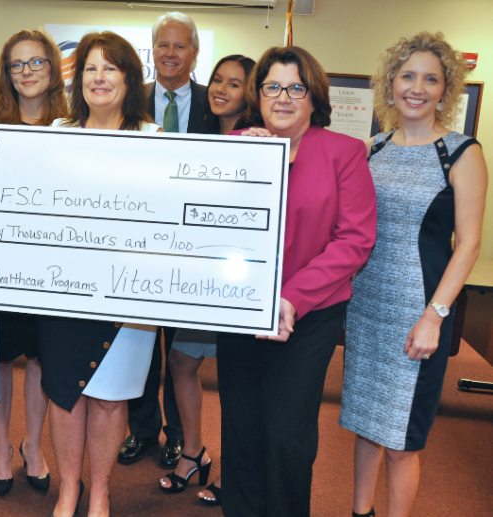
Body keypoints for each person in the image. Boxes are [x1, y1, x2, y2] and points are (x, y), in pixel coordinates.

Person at [216, 45, 377, 517]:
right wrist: (245, 163)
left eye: (295, 87)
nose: (282, 98)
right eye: (272, 87)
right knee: (242, 427)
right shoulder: (238, 146)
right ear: (258, 94)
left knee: (288, 433)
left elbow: (355, 240)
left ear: (313, 97)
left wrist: (291, 299)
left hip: (309, 314)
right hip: (240, 308)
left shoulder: (344, 153)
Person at [340, 32, 487, 517]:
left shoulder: (462, 153)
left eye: (430, 78)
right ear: (390, 83)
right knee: (367, 420)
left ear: (446, 90)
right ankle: (361, 512)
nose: (417, 88)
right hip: (367, 305)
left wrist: (434, 316)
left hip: (418, 309)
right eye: (407, 76)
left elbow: (468, 243)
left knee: (404, 438)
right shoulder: (373, 148)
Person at [38, 31, 159, 517]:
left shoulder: (155, 141)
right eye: (90, 68)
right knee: (66, 393)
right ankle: (69, 489)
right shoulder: (55, 133)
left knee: (111, 399)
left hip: (129, 298)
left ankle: (101, 492)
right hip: (64, 290)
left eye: (110, 68)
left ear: (130, 78)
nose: (99, 77)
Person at [158, 53, 255, 506]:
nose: (221, 89)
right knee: (180, 362)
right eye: (217, 80)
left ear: (250, 94)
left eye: (234, 84)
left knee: (239, 377)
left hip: (239, 280)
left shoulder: (260, 142)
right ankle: (194, 452)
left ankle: (235, 471)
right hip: (198, 275)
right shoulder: (201, 133)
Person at [120, 10, 211, 471]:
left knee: (179, 352)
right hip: (138, 245)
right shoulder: (129, 101)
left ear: (194, 53)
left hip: (190, 251)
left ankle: (178, 435)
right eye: (163, 45)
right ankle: (140, 429)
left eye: (180, 46)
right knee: (138, 347)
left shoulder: (213, 104)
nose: (170, 53)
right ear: (152, 51)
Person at [0, 29, 67, 496]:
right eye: (17, 64)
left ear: (52, 68)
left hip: (52, 266)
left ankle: (32, 446)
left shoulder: (75, 124)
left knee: (40, 360)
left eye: (36, 62)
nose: (27, 72)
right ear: (6, 73)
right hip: (2, 263)